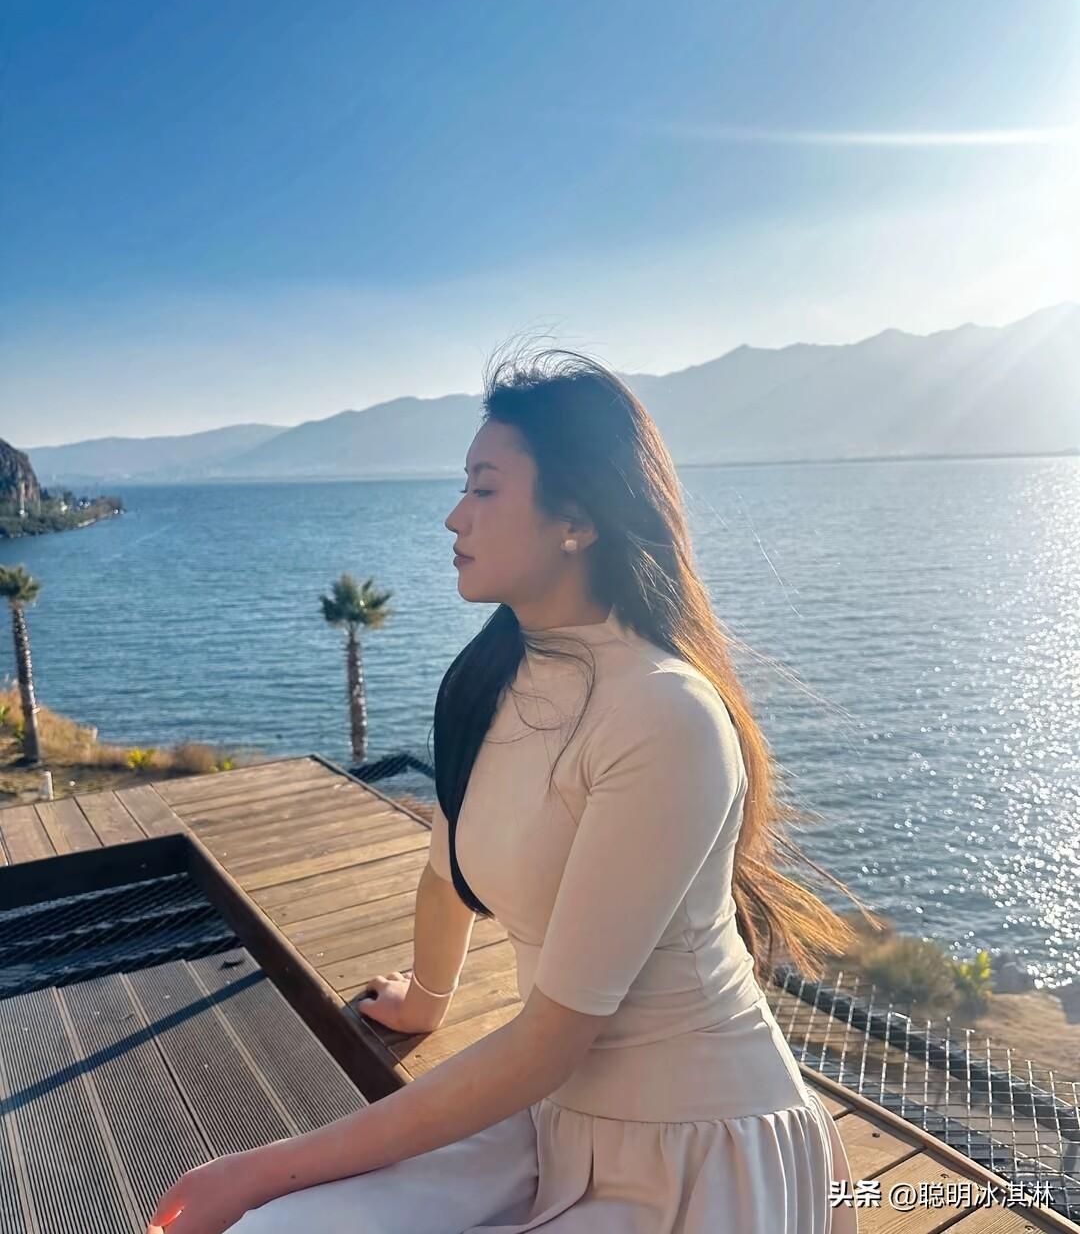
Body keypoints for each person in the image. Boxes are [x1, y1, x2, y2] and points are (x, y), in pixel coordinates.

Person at [149, 344, 876, 1234]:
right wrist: (426, 998)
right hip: (554, 1116)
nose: (454, 515)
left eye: (485, 489)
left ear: (578, 518)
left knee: (260, 1215)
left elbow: (546, 1043)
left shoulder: (665, 715)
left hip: (694, 1154)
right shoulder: (491, 680)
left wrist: (257, 1170)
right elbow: (446, 871)